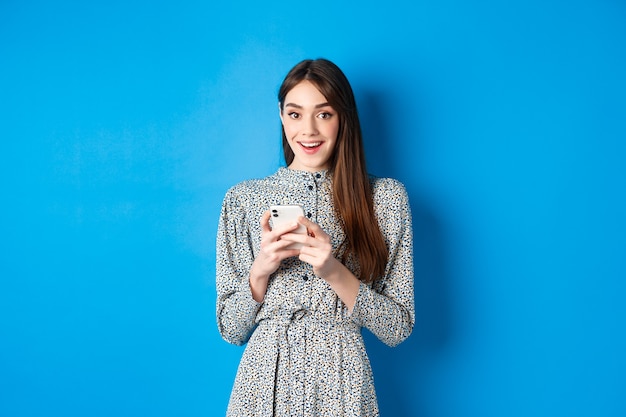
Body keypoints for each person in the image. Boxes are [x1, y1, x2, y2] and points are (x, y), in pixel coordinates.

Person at [216, 58, 414, 417]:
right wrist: (260, 272)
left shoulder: (385, 198)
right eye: (295, 114)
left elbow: (397, 327)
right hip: (263, 383)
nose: (308, 130)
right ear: (281, 115)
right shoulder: (242, 199)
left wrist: (333, 270)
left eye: (324, 114)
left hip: (343, 379)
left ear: (344, 118)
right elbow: (230, 328)